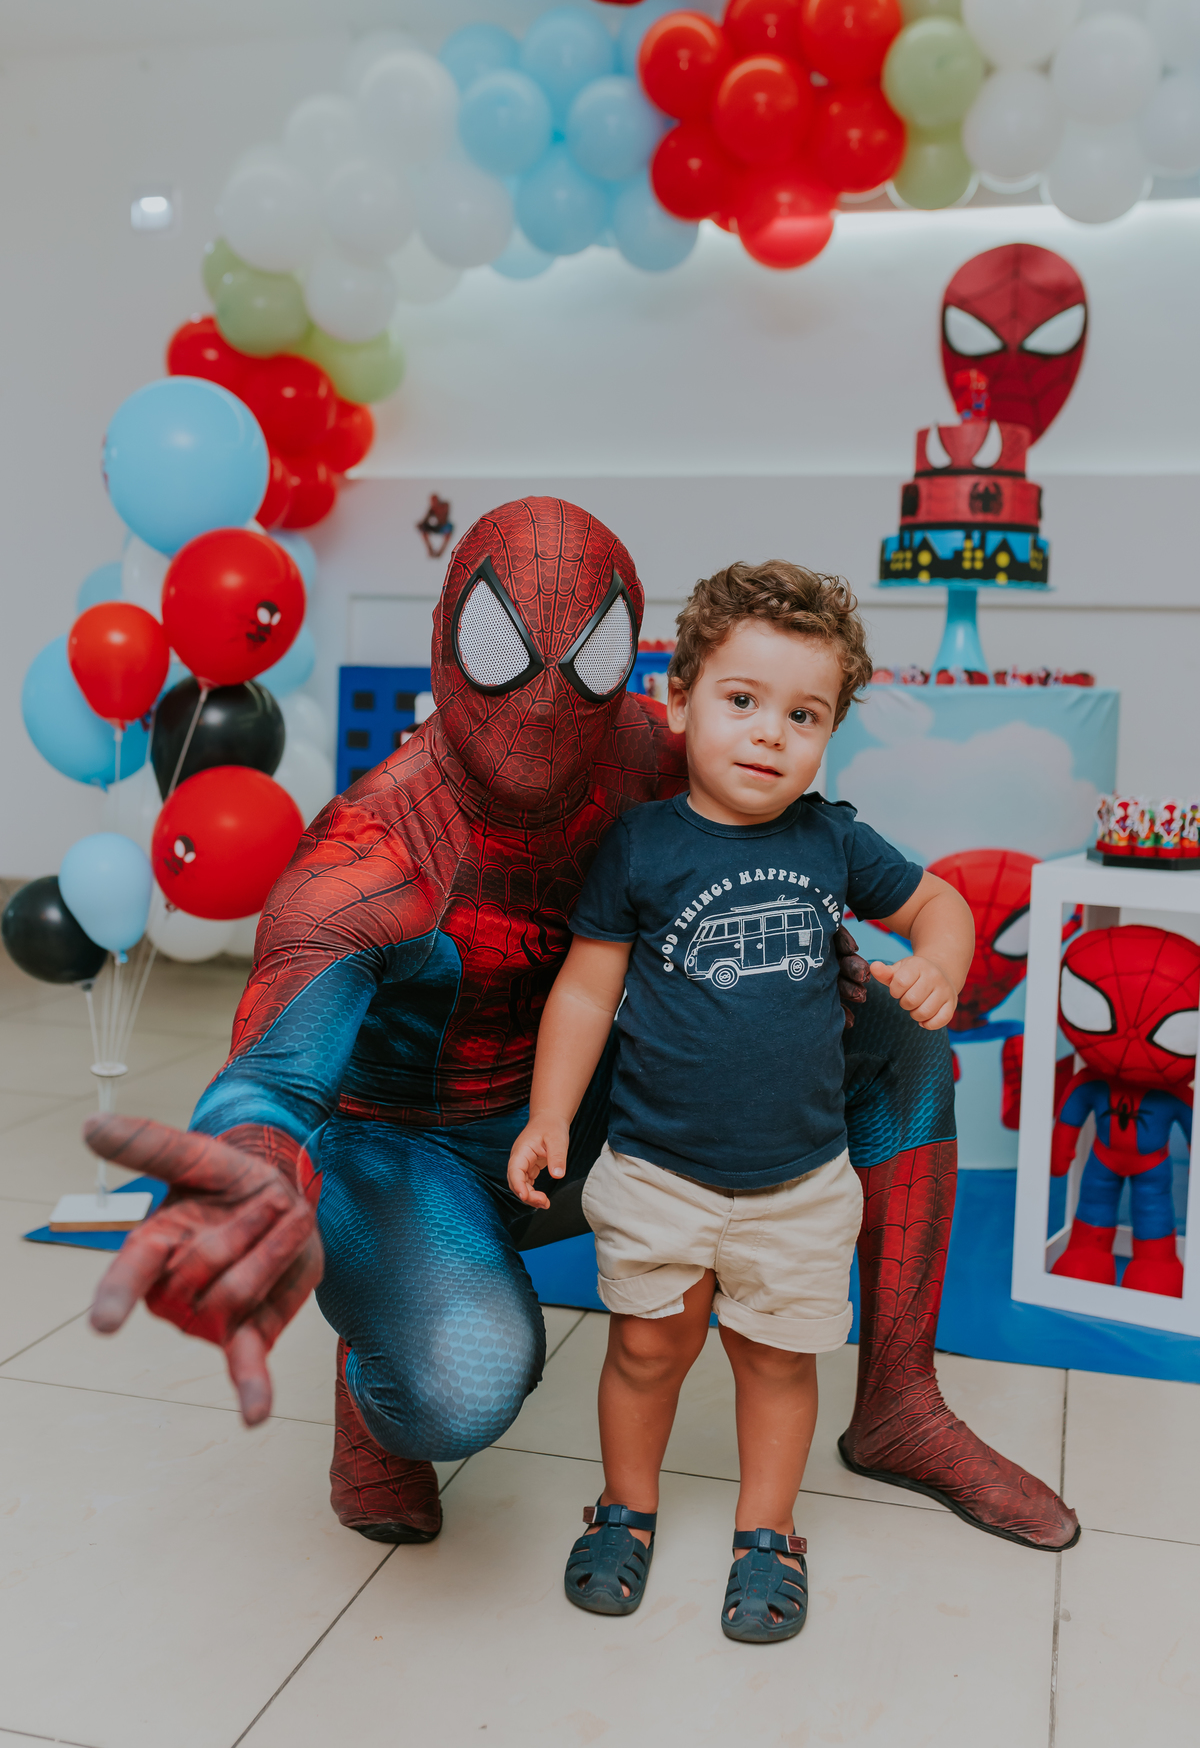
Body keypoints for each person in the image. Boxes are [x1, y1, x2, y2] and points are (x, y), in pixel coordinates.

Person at [82, 499, 1078, 1559]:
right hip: (420, 1148)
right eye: (502, 647)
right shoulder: (371, 853)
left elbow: (800, 841)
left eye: (589, 657)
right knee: (458, 1386)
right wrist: (249, 1173)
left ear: (636, 667)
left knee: (897, 1035)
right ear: (448, 643)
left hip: (611, 1103)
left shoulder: (667, 748)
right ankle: (383, 1345)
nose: (548, 698)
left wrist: (820, 953)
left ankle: (897, 1401)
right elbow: (273, 1080)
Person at [507, 561, 976, 1643]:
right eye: (741, 700)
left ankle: (769, 1533)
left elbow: (936, 899)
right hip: (658, 1167)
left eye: (803, 715)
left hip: (802, 1179)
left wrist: (940, 963)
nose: (769, 734)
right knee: (645, 1349)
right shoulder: (643, 845)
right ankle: (625, 1507)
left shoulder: (833, 839)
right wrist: (549, 1116)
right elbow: (585, 989)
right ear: (678, 702)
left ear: (830, 735)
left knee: (776, 1361)